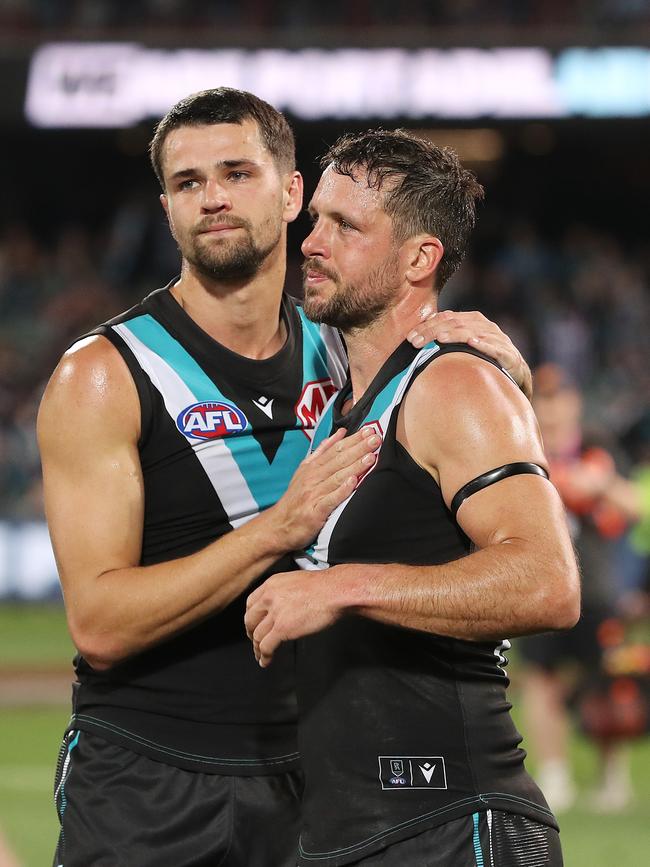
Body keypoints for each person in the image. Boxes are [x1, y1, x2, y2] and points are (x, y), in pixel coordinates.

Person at [38, 90, 532, 867]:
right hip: (148, 775)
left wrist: (501, 367)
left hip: (318, 781)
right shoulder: (104, 375)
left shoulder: (346, 351)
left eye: (237, 172)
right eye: (189, 182)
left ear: (293, 192)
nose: (215, 199)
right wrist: (277, 527)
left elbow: (460, 436)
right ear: (165, 206)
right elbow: (100, 623)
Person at [245, 129, 581, 866]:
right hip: (350, 831)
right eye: (317, 218)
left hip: (450, 822)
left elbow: (547, 583)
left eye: (347, 226)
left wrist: (344, 587)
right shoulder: (347, 401)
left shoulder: (453, 383)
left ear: (419, 259)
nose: (313, 241)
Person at [519, 363, 642, 813]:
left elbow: (632, 507)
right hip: (540, 583)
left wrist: (601, 484)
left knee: (609, 683)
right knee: (542, 680)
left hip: (598, 587)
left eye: (558, 398)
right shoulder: (519, 441)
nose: (551, 409)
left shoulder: (597, 446)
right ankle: (555, 776)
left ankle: (613, 778)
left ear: (573, 402)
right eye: (544, 399)